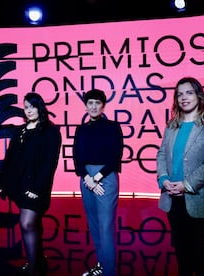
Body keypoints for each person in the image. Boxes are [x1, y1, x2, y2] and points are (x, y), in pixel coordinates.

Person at [156, 77, 204, 276]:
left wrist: (186, 185)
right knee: (181, 250)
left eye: (188, 92)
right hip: (171, 196)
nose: (183, 97)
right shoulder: (172, 125)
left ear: (198, 95)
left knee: (198, 251)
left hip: (198, 197)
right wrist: (163, 179)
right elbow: (161, 154)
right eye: (179, 94)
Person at [0, 92, 62, 276]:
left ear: (40, 107)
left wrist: (36, 189)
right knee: (34, 224)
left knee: (26, 223)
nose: (29, 110)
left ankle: (33, 268)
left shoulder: (50, 131)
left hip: (36, 188)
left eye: (32, 106)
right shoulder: (20, 130)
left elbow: (50, 164)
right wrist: (4, 180)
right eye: (26, 107)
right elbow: (10, 158)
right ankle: (38, 262)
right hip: (19, 186)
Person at [73, 89, 124, 276]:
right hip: (86, 179)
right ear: (85, 106)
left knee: (105, 227)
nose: (93, 106)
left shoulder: (112, 127)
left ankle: (109, 272)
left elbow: (115, 156)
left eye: (97, 103)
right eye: (90, 103)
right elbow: (77, 157)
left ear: (103, 105)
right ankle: (102, 266)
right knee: (94, 225)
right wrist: (86, 177)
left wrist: (97, 178)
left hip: (105, 178)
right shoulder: (81, 129)